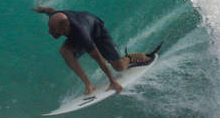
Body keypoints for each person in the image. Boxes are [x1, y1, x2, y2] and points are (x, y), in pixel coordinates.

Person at [32, 6, 160, 96]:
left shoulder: (81, 33)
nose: (50, 32)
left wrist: (112, 81)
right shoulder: (56, 18)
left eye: (53, 29)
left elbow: (99, 58)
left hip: (97, 32)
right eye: (50, 28)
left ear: (64, 27)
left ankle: (131, 58)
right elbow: (51, 11)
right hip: (83, 27)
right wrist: (42, 9)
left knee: (119, 67)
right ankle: (89, 84)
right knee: (64, 51)